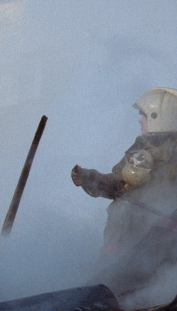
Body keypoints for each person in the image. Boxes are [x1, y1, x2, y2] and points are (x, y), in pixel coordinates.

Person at [71, 87, 177, 257]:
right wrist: (90, 178)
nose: (140, 120)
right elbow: (116, 184)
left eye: (145, 115)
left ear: (159, 117)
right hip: (122, 246)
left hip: (159, 248)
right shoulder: (140, 149)